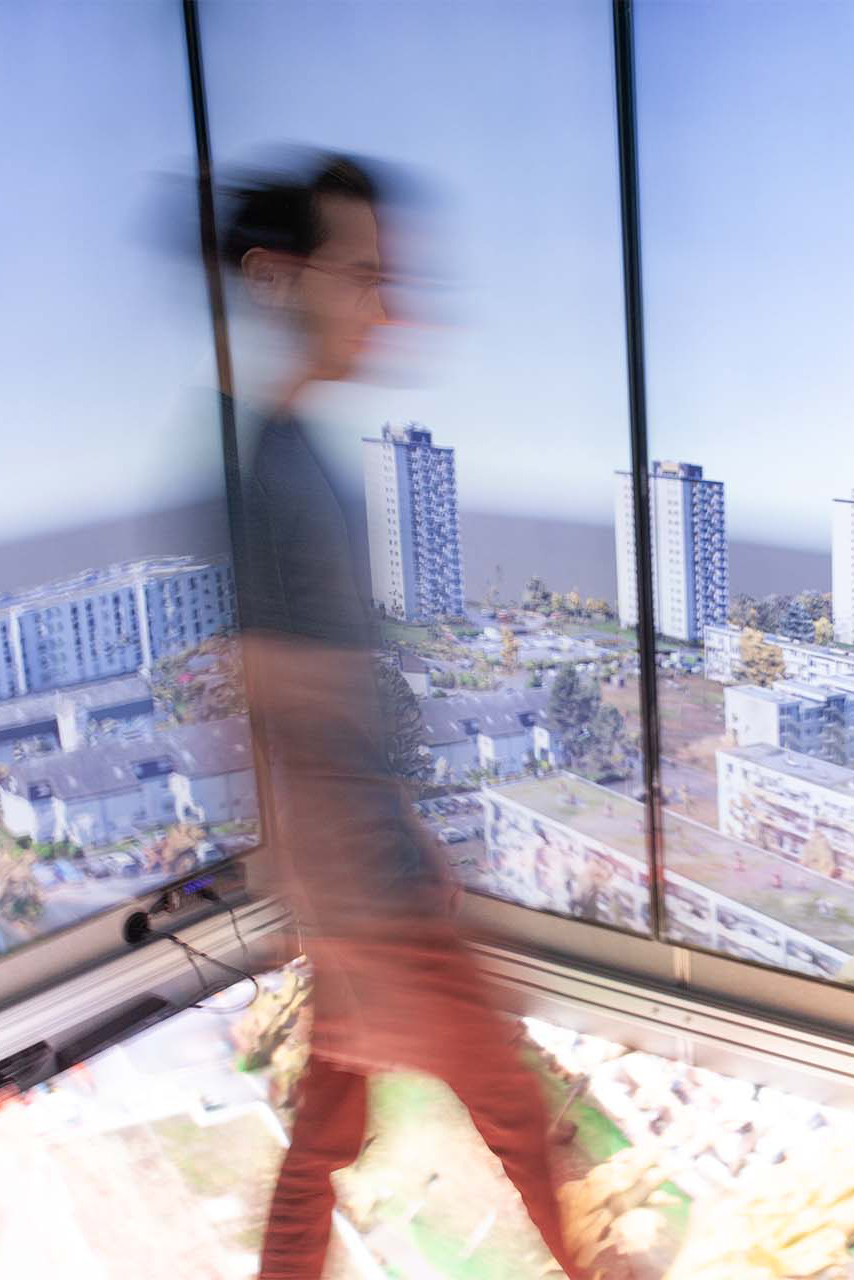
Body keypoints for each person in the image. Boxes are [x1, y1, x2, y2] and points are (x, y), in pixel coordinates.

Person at [226, 153, 577, 1279]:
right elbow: (277, 702)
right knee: (517, 1113)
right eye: (363, 271)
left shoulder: (294, 462)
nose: (387, 302)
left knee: (331, 1136)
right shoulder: (278, 477)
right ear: (280, 279)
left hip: (372, 881)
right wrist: (350, 920)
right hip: (372, 900)